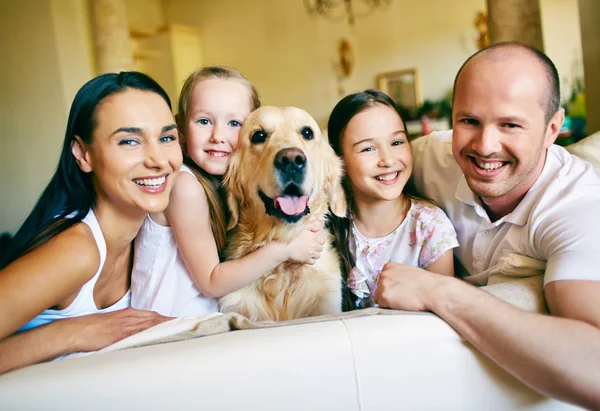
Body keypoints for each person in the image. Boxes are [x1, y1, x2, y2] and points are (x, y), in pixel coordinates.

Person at [373, 42, 600, 409]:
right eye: (469, 121)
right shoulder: (428, 158)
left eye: (510, 124)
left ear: (552, 128)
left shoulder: (578, 207)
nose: (485, 146)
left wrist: (440, 292)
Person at [0, 71, 182, 374]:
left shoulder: (150, 234)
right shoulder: (76, 251)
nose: (159, 159)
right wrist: (72, 333)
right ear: (83, 154)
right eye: (129, 141)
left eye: (166, 137)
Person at [131, 66, 326, 317]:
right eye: (204, 121)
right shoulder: (184, 186)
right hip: (168, 330)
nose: (218, 136)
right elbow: (212, 281)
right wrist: (285, 249)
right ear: (179, 126)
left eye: (234, 123)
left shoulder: (228, 186)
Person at [327, 89, 458, 310]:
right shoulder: (328, 225)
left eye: (397, 142)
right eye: (368, 148)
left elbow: (444, 313)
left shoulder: (430, 228)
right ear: (338, 161)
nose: (387, 160)